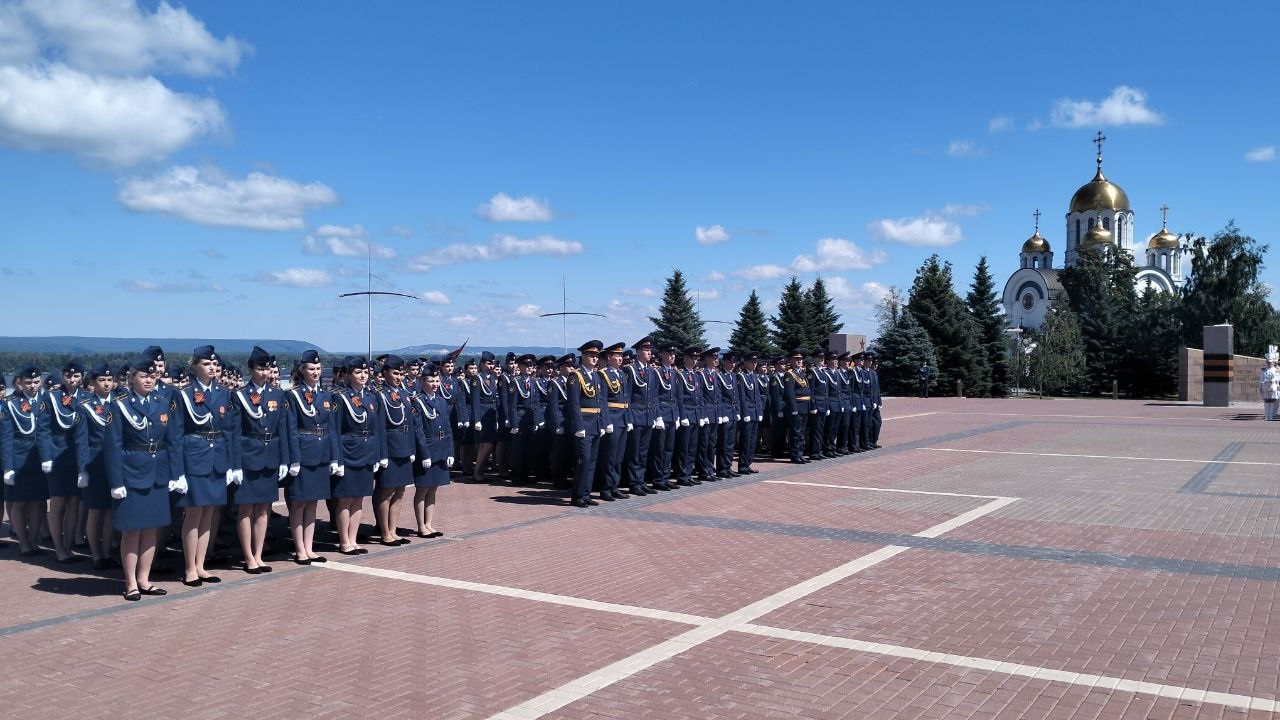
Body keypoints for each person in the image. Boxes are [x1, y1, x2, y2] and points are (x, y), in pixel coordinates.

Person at [108, 356, 180, 601]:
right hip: (132, 475)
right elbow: (113, 446)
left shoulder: (161, 401)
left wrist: (174, 473)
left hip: (157, 474)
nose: (148, 379)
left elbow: (171, 441)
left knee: (151, 529)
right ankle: (130, 583)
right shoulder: (119, 405)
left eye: (152, 376)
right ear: (132, 378)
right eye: (143, 376)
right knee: (131, 531)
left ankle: (145, 579)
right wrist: (116, 482)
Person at [175, 345, 237, 587]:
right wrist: (178, 471)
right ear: (195, 367)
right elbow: (177, 433)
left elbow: (229, 429)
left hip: (217, 457)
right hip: (195, 458)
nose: (212, 368)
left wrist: (231, 464)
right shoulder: (184, 394)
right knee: (193, 514)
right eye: (206, 364)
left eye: (214, 364)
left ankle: (201, 565)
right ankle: (190, 567)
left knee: (209, 513)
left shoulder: (223, 393)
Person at [232, 347, 295, 573]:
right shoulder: (240, 395)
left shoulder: (277, 394)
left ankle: (259, 554)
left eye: (267, 368)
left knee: (263, 509)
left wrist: (284, 460)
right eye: (260, 368)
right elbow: (235, 432)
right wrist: (236, 465)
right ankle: (248, 556)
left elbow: (282, 430)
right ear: (251, 369)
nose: (264, 372)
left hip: (270, 456)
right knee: (246, 509)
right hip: (249, 457)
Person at [331, 357, 387, 555]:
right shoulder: (340, 397)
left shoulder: (372, 397)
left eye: (365, 372)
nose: (362, 375)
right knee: (345, 499)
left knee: (359, 499)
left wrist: (379, 455)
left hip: (367, 451)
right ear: (348, 375)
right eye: (357, 372)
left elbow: (377, 428)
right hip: (349, 453)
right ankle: (344, 540)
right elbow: (335, 430)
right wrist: (337, 459)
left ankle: (353, 539)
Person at [284, 350, 333, 564]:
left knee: (313, 503)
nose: (315, 372)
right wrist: (294, 459)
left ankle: (309, 547)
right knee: (298, 503)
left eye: (318, 368)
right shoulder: (293, 395)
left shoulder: (325, 395)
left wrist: (333, 457)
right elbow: (291, 429)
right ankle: (299, 549)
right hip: (303, 453)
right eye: (311, 369)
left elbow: (329, 428)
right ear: (302, 370)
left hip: (320, 453)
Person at [2, 365, 53, 556]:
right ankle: (23, 543)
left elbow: (48, 431)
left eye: (36, 381)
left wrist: (48, 457)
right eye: (29, 382)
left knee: (38, 502)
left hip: (39, 458)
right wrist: (7, 467)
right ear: (20, 383)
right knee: (20, 502)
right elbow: (6, 438)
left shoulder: (46, 400)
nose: (33, 385)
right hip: (19, 459)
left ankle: (33, 541)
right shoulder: (9, 403)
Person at [75, 363, 121, 570]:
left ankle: (107, 552)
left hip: (116, 463)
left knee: (111, 511)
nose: (107, 384)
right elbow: (81, 441)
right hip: (95, 463)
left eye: (110, 380)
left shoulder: (121, 403)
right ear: (93, 383)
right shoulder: (84, 406)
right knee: (95, 510)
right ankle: (95, 554)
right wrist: (83, 469)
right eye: (102, 380)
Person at [373, 355, 422, 545]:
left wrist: (411, 448)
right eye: (395, 373)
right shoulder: (379, 394)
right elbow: (380, 426)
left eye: (401, 373)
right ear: (385, 373)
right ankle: (384, 532)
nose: (399, 377)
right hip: (390, 449)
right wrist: (382, 454)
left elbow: (409, 423)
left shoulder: (403, 394)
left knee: (400, 491)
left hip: (403, 446)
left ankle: (393, 530)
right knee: (386, 491)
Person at [48, 359, 88, 562]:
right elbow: (43, 429)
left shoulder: (87, 397)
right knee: (58, 503)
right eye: (68, 375)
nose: (72, 380)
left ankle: (68, 545)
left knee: (74, 502)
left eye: (76, 376)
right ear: (62, 375)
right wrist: (46, 456)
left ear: (82, 377)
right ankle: (58, 548)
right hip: (58, 456)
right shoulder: (52, 397)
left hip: (79, 457)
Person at [411, 363, 453, 537]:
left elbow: (448, 428)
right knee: (423, 488)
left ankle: (429, 523)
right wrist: (424, 454)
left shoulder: (441, 400)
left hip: (441, 446)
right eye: (431, 380)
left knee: (433, 488)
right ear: (422, 381)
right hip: (428, 447)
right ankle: (421, 526)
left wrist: (450, 452)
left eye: (437, 380)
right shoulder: (418, 401)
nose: (435, 384)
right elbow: (418, 431)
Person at [567, 341, 606, 507]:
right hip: (583, 424)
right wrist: (578, 426)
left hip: (595, 423)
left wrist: (603, 422)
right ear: (583, 356)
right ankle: (577, 496)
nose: (594, 358)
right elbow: (573, 404)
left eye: (596, 355)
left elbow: (601, 401)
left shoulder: (596, 376)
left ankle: (586, 493)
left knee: (592, 461)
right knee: (584, 459)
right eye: (591, 355)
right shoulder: (576, 376)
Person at [597, 342, 630, 499]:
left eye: (621, 355)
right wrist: (606, 421)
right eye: (617, 355)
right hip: (612, 418)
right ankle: (606, 488)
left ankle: (615, 487)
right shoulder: (603, 374)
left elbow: (626, 398)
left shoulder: (622, 374)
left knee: (618, 457)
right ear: (609, 357)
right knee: (609, 456)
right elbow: (602, 400)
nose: (620, 358)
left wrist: (628, 418)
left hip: (622, 418)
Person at [469, 351, 500, 482]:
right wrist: (477, 419)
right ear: (482, 364)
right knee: (485, 445)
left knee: (489, 444)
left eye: (492, 363)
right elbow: (475, 400)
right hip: (482, 413)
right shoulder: (477, 378)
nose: (491, 366)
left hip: (491, 414)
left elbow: (494, 398)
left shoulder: (492, 378)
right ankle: (477, 472)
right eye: (488, 363)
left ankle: (480, 471)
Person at [1261, 346, 1280, 421]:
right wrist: (1262, 385)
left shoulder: (1276, 370)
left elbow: (1278, 378)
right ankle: (1266, 415)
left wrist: (1273, 380)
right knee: (1266, 402)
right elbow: (1261, 379)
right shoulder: (1263, 370)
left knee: (1272, 402)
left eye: (1271, 362)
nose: (1270, 364)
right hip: (1265, 387)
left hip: (1273, 387)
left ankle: (1271, 415)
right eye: (1268, 362)